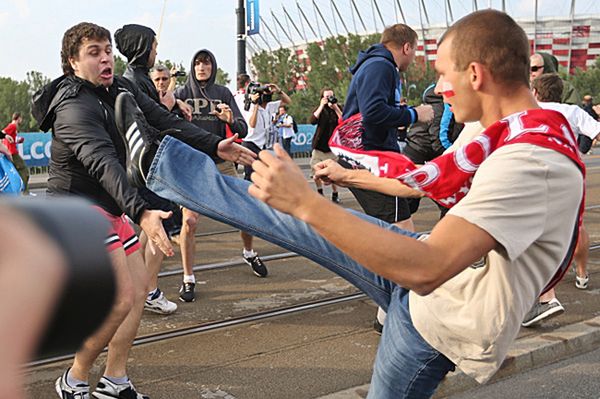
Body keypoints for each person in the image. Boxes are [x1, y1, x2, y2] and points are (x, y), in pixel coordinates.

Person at [133, 10, 584, 398]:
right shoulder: (498, 131)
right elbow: (417, 185)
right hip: (422, 272)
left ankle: (165, 165)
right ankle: (161, 163)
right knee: (278, 212)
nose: (438, 88)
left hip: (437, 318)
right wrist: (346, 177)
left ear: (475, 74)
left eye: (444, 74)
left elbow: (429, 267)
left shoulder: (532, 160)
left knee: (298, 212)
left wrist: (310, 203)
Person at [31, 22, 254, 399]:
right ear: (72, 62)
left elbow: (162, 119)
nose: (105, 59)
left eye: (107, 50)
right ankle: (73, 380)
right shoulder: (73, 106)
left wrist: (216, 146)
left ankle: (114, 380)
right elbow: (103, 162)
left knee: (137, 293)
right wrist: (142, 212)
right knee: (118, 298)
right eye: (93, 53)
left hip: (111, 207)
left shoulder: (118, 88)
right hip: (78, 210)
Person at [341, 23, 433, 332]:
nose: (414, 57)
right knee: (401, 238)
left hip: (374, 157)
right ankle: (393, 311)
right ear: (406, 46)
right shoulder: (382, 66)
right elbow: (374, 113)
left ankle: (390, 310)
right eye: (415, 51)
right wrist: (413, 115)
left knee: (399, 233)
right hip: (370, 159)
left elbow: (374, 112)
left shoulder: (376, 65)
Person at [173, 49, 264, 302]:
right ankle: (188, 278)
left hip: (221, 161)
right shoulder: (181, 93)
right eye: (198, 63)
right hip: (192, 166)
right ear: (193, 66)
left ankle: (248, 251)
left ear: (213, 66)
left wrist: (230, 119)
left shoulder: (222, 92)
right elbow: (165, 123)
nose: (202, 67)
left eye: (207, 63)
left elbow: (243, 128)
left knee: (245, 212)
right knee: (189, 222)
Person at [520, 73, 600, 327]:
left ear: (535, 92)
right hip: (569, 175)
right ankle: (580, 274)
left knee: (531, 234)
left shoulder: (527, 108)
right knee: (573, 227)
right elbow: (596, 131)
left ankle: (545, 296)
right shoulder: (573, 111)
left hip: (533, 174)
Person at [114, 23, 182, 315]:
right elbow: (150, 125)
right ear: (142, 48)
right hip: (147, 169)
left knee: (148, 226)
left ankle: (141, 285)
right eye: (153, 45)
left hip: (142, 168)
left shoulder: (136, 78)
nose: (156, 50)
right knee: (162, 227)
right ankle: (149, 290)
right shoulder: (136, 81)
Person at [309, 88, 343, 203]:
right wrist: (321, 106)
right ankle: (320, 192)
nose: (329, 99)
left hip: (332, 147)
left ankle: (335, 194)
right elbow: (312, 120)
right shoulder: (320, 109)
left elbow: (344, 121)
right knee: (316, 171)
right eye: (326, 97)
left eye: (331, 96)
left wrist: (336, 107)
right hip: (319, 146)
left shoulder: (337, 108)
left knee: (333, 173)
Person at [1, 112, 29, 194]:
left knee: (14, 172)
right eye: (21, 119)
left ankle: (18, 190)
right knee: (24, 171)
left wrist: (18, 140)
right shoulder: (13, 125)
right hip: (12, 152)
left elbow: (11, 138)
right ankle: (25, 191)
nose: (21, 120)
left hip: (10, 151)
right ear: (18, 118)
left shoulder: (13, 127)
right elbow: (3, 132)